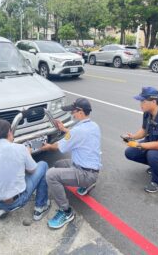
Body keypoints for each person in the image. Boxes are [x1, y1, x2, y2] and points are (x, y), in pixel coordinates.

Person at [41, 98, 102, 229]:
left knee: (51, 175)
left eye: (73, 112)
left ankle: (66, 211)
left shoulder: (78, 131)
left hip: (85, 173)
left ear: (80, 112)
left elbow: (57, 146)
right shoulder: (93, 126)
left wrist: (46, 146)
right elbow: (76, 135)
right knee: (59, 164)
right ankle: (88, 184)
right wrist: (63, 129)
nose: (71, 114)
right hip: (91, 169)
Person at [0, 119, 50, 220]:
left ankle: (0, 209)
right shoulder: (20, 148)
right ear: (9, 132)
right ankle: (41, 206)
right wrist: (27, 153)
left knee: (5, 177)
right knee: (43, 165)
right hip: (15, 202)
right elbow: (32, 170)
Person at [124, 87, 158, 193]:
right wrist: (132, 137)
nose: (140, 104)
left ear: (153, 101)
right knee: (130, 152)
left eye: (143, 101)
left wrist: (139, 145)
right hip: (153, 142)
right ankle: (155, 167)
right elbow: (144, 130)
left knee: (153, 155)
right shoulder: (148, 112)